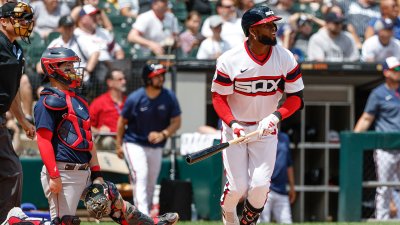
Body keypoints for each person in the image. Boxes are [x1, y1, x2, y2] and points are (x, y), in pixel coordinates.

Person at [211, 5, 304, 225]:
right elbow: (218, 98)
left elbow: (296, 98)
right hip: (236, 128)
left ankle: (248, 223)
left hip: (266, 128)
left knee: (261, 186)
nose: (274, 29)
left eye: (274, 24)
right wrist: (232, 123)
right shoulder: (229, 59)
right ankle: (229, 213)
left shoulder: (286, 58)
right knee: (237, 188)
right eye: (268, 25)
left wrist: (276, 117)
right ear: (253, 31)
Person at [34, 47, 104, 221]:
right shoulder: (48, 101)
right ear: (52, 69)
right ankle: (17, 221)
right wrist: (54, 175)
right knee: (64, 221)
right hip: (64, 172)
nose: (73, 71)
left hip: (85, 171)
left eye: (73, 66)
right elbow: (43, 140)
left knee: (113, 200)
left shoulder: (78, 99)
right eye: (68, 67)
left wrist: (97, 174)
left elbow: (88, 139)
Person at [116, 63, 182, 216]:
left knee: (151, 182)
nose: (161, 78)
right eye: (156, 76)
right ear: (147, 79)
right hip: (134, 142)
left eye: (161, 75)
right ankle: (141, 215)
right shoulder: (136, 98)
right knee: (141, 174)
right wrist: (118, 145)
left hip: (156, 145)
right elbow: (122, 122)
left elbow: (177, 121)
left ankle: (147, 214)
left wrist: (163, 134)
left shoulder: (169, 96)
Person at [0, 1, 36, 221]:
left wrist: (23, 121)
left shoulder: (16, 48)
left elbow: (11, 91)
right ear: (3, 21)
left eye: (28, 18)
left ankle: (9, 218)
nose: (26, 23)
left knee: (12, 170)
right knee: (11, 170)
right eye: (20, 18)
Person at [354, 56, 400, 220]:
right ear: (386, 72)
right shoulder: (378, 93)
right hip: (385, 148)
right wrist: (354, 139)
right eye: (396, 69)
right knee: (384, 186)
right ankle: (382, 219)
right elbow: (367, 118)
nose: (398, 72)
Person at [259, 132, 296, 224]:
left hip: (281, 189)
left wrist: (292, 186)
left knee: (286, 221)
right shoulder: (260, 137)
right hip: (265, 188)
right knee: (262, 222)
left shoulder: (284, 138)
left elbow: (289, 163)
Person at [90, 69, 127, 150]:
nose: (124, 82)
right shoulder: (99, 102)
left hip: (127, 140)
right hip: (109, 141)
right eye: (120, 79)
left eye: (124, 79)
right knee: (108, 141)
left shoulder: (129, 101)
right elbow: (86, 125)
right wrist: (98, 131)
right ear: (110, 82)